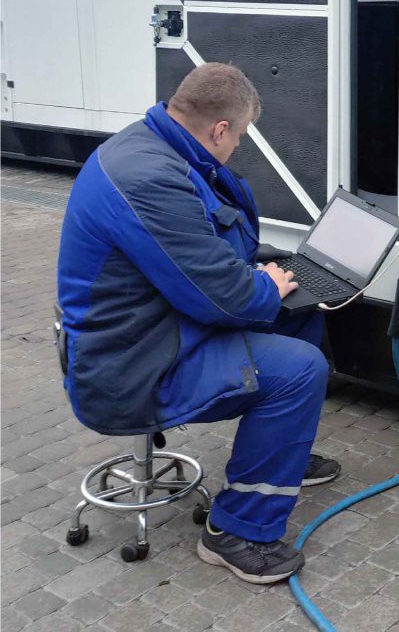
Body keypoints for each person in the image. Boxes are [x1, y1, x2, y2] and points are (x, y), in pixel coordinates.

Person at [57, 62, 339, 584]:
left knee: (300, 316)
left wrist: (270, 275)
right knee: (300, 369)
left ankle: (284, 454)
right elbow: (226, 302)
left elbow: (202, 254)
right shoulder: (149, 178)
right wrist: (263, 286)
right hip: (134, 365)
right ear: (220, 129)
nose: (239, 145)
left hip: (154, 326)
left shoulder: (158, 146)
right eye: (242, 135)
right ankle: (236, 533)